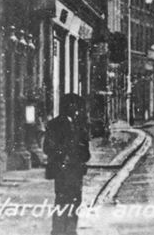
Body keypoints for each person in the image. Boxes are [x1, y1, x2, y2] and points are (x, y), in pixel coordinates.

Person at [44, 94, 90, 235]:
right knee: (64, 200)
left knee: (74, 201)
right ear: (66, 106)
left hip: (74, 170)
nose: (75, 109)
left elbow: (85, 151)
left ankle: (69, 230)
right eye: (72, 105)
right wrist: (63, 154)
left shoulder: (78, 125)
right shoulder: (55, 125)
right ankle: (59, 231)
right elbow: (47, 147)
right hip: (63, 169)